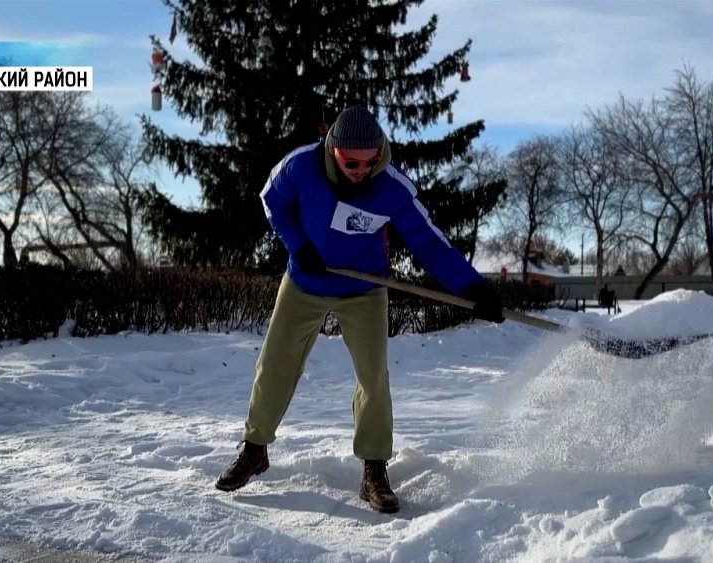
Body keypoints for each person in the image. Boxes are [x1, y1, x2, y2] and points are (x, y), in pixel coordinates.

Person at [214, 106, 505, 513]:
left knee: (373, 376)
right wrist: (299, 246)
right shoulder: (300, 166)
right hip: (306, 281)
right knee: (275, 363)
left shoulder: (390, 186)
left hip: (365, 288)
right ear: (332, 149)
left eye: (370, 162)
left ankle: (374, 469)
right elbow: (272, 202)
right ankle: (255, 448)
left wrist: (473, 287)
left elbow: (429, 242)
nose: (360, 170)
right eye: (351, 162)